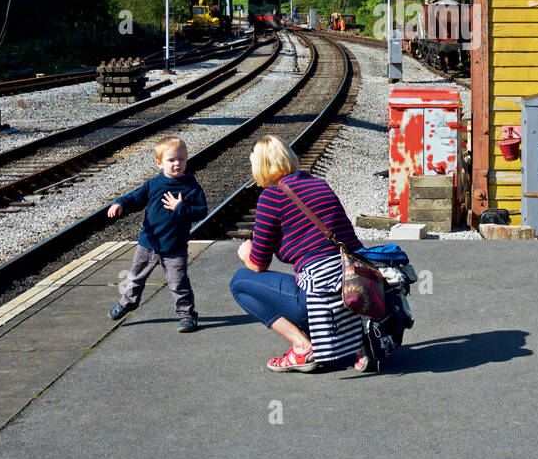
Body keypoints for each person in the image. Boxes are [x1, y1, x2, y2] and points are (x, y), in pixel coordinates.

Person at [230, 135, 366, 372]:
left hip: (322, 294)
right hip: (355, 288)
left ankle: (302, 347)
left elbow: (258, 265)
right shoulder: (320, 184)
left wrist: (245, 253)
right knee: (303, 279)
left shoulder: (272, 197)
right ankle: (350, 340)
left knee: (240, 282)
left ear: (259, 167)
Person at [106, 136, 208, 332]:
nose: (177, 164)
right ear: (159, 163)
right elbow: (135, 198)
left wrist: (181, 208)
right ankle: (128, 303)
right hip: (149, 243)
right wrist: (120, 203)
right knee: (135, 277)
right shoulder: (153, 184)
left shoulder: (190, 186)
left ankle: (187, 314)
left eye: (182, 159)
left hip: (174, 246)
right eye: (171, 160)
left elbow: (202, 211)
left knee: (178, 282)